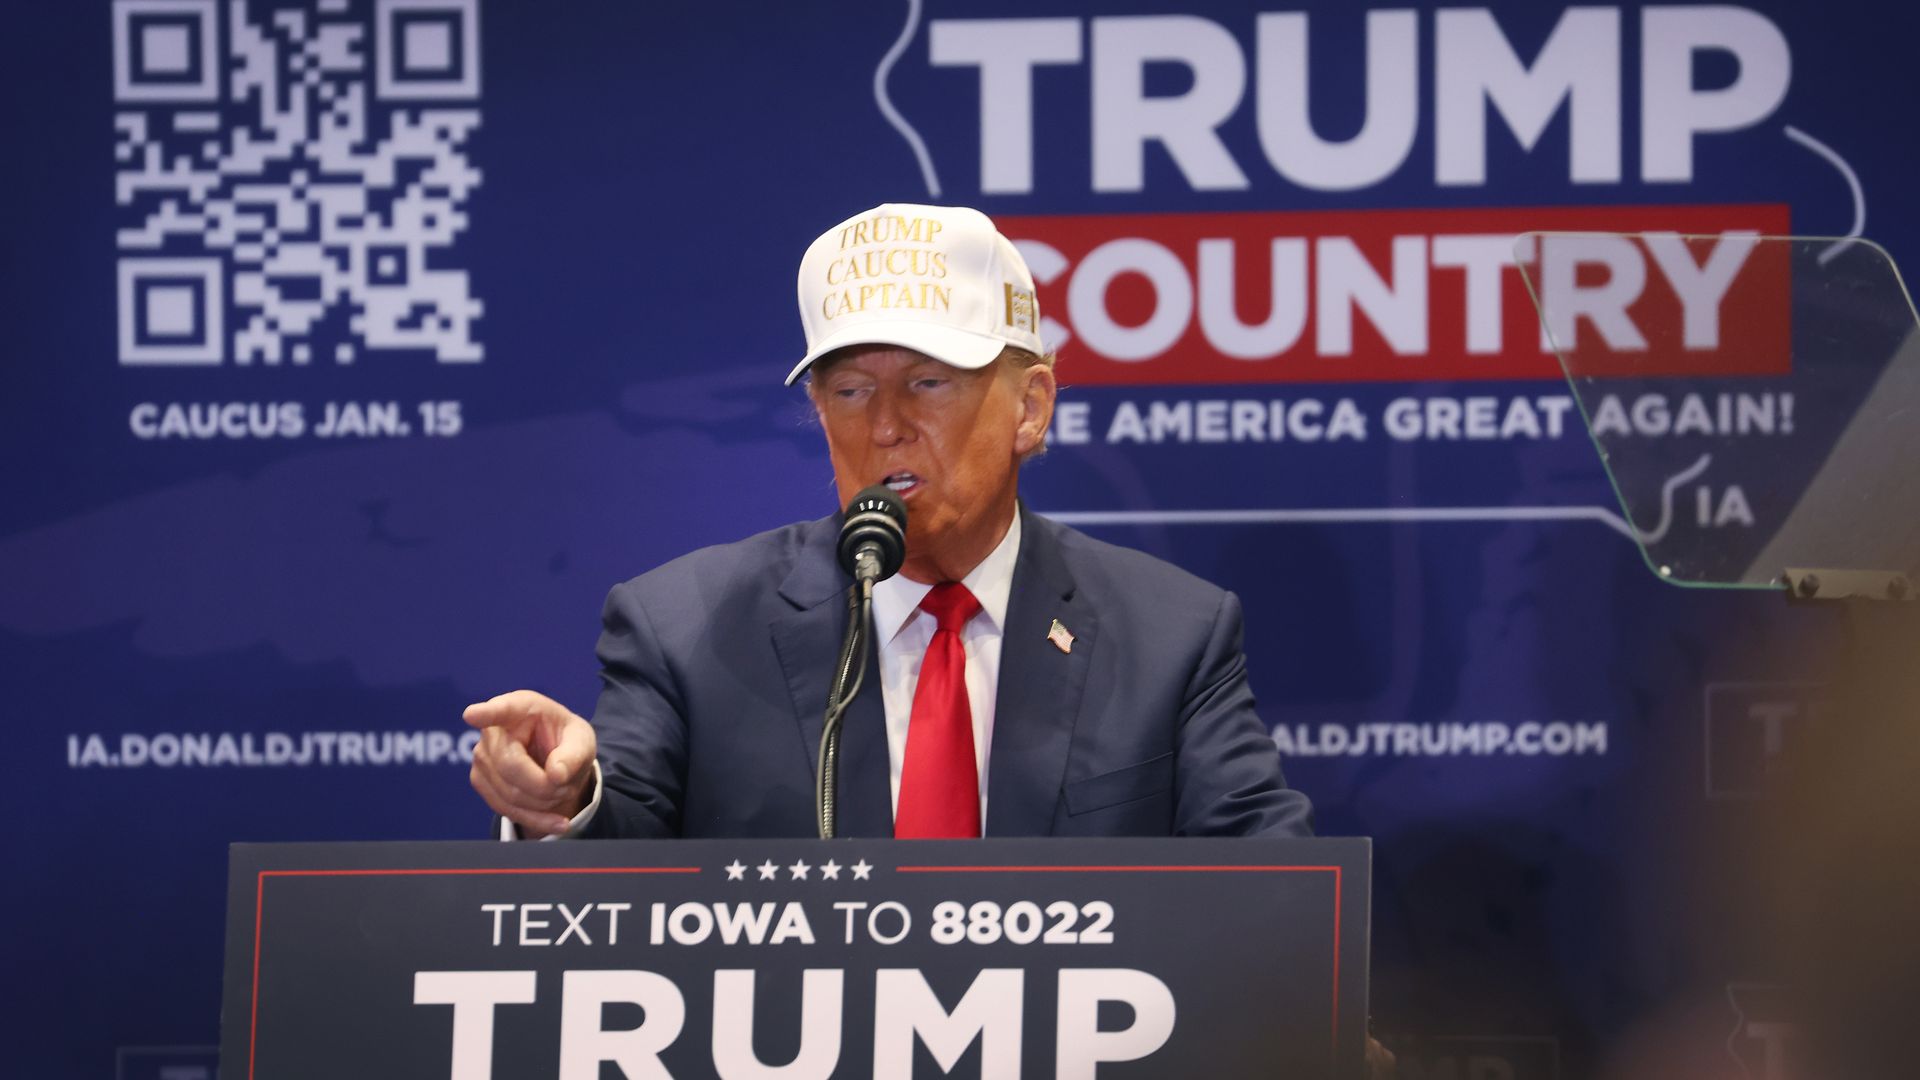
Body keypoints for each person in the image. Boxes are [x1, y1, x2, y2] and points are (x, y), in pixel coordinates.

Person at [465, 202, 1314, 841]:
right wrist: (565, 803)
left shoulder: (1171, 634)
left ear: (1030, 407)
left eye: (929, 382)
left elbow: (1268, 885)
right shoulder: (684, 627)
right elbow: (620, 862)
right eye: (850, 389)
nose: (885, 425)